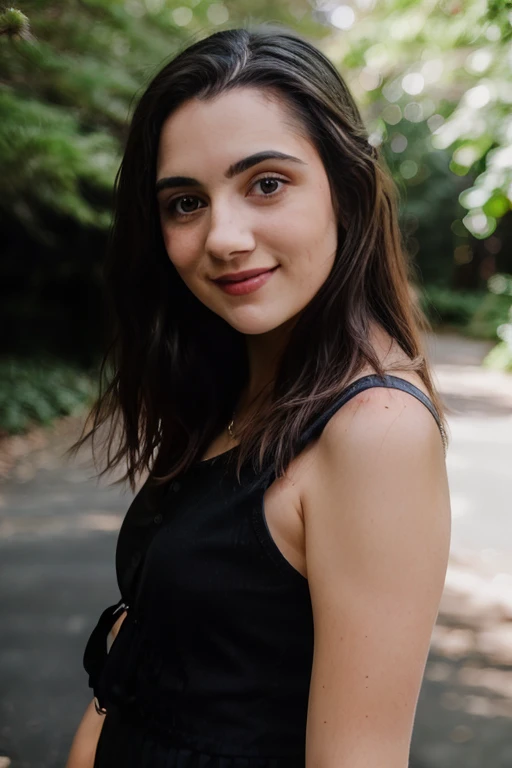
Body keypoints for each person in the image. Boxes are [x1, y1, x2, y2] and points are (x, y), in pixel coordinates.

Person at [66, 23, 452, 768]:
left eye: (265, 184)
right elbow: (135, 681)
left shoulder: (373, 428)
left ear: (344, 187)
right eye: (185, 202)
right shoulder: (232, 389)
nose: (223, 236)